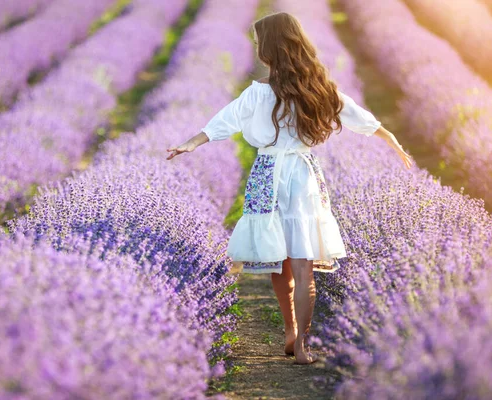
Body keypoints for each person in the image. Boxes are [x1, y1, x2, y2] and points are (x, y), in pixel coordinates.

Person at [166, 12, 413, 365]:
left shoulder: (258, 93)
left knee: (278, 260)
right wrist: (392, 141)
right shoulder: (319, 88)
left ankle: (290, 329)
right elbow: (359, 117)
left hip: (268, 174)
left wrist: (191, 142)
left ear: (269, 48)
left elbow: (226, 120)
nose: (254, 49)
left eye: (257, 43)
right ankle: (301, 345)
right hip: (303, 177)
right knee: (303, 264)